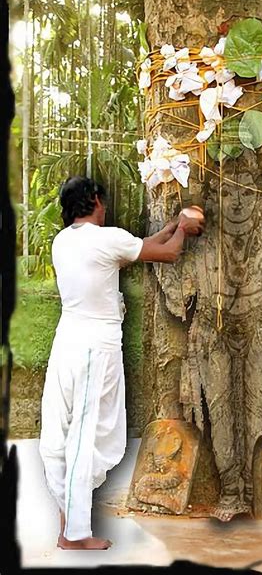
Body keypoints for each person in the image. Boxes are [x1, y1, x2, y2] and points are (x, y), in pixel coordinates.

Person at [38, 176, 204, 550]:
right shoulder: (106, 239)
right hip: (95, 347)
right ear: (95, 200)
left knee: (60, 434)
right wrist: (183, 228)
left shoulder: (64, 241)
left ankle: (68, 525)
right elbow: (168, 253)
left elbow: (140, 247)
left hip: (67, 342)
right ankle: (76, 534)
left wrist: (173, 226)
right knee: (84, 436)